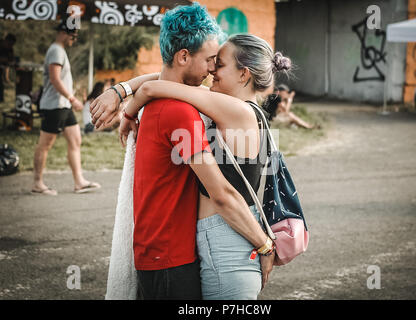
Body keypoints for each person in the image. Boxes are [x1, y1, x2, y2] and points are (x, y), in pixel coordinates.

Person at [90, 3, 276, 300]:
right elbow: (221, 193)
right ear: (184, 56)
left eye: (219, 62)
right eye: (210, 60)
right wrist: (264, 244)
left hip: (161, 255)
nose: (213, 68)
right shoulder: (181, 115)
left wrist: (124, 95)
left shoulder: (163, 105)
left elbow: (156, 85)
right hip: (172, 260)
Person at [31, 21, 101, 196]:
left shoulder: (59, 51)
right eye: (72, 36)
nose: (74, 39)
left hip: (63, 105)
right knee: (45, 144)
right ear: (63, 33)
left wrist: (69, 100)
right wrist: (71, 97)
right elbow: (55, 79)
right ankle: (37, 183)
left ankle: (79, 182)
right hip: (55, 105)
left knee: (75, 139)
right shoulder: (55, 50)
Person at [0, 33, 16, 102]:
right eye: (9, 44)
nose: (10, 46)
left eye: (12, 45)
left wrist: (6, 77)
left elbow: (10, 62)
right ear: (5, 41)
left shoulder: (10, 49)